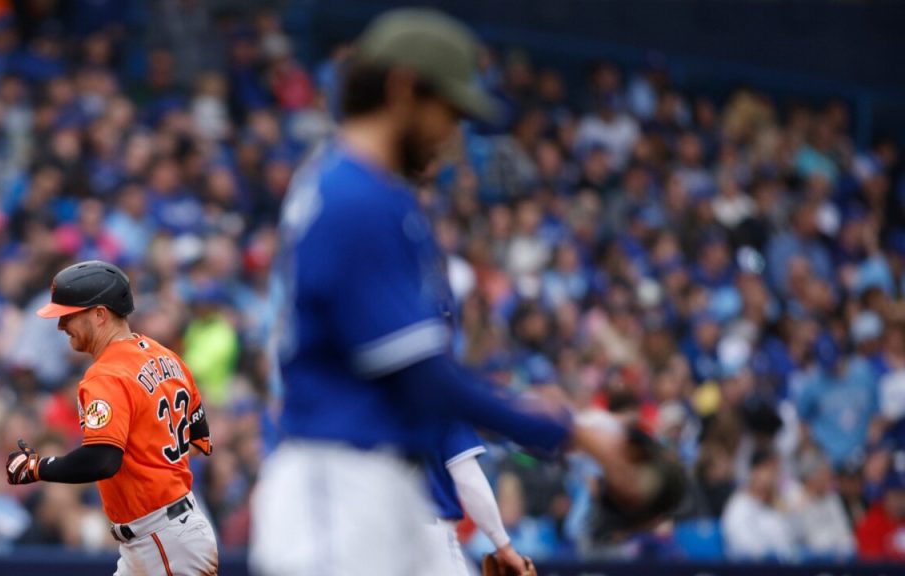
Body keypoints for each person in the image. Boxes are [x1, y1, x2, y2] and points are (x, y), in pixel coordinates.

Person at [249, 9, 674, 576]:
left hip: (369, 485)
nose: (451, 134)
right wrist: (572, 431)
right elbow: (425, 380)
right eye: (445, 111)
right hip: (340, 489)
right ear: (402, 88)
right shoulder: (359, 197)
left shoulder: (342, 183)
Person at [5, 260, 218, 575]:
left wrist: (38, 468)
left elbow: (102, 460)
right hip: (166, 532)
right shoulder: (163, 355)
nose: (61, 326)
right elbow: (199, 437)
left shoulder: (105, 375)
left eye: (69, 315)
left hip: (162, 540)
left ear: (99, 314)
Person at [423, 423, 528, 575]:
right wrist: (504, 545)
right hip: (428, 538)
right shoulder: (439, 405)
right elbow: (469, 480)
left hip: (382, 534)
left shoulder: (378, 406)